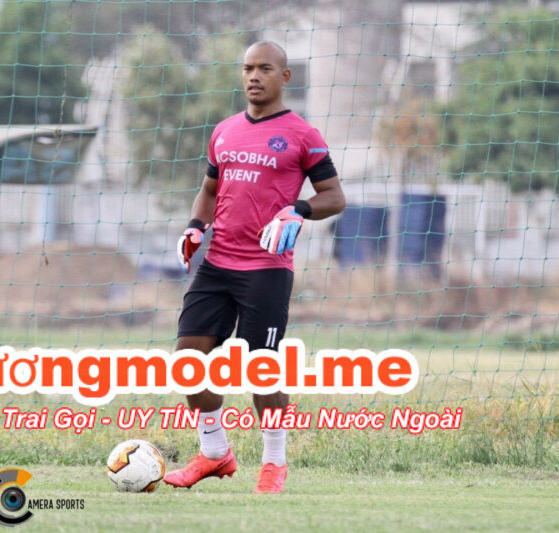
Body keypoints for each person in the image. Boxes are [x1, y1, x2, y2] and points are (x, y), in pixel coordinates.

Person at [164, 40, 345, 494]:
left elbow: (334, 197)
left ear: (285, 76)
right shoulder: (224, 131)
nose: (254, 76)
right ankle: (214, 453)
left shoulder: (303, 134)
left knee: (261, 367)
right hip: (216, 263)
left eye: (264, 68)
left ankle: (274, 463)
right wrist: (194, 227)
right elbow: (209, 191)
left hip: (267, 268)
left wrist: (298, 209)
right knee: (187, 360)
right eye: (247, 68)